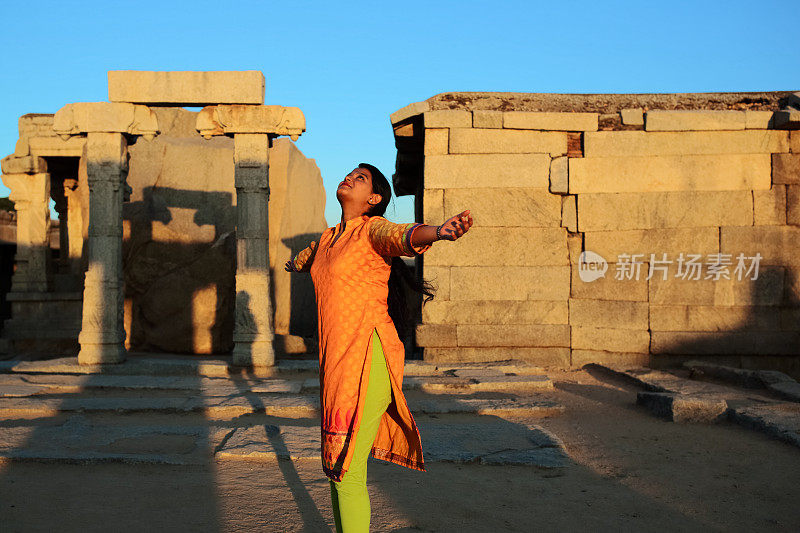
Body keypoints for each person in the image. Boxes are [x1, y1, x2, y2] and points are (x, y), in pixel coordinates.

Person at [284, 163, 472, 532]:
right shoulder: (327, 239)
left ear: (373, 199)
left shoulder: (372, 230)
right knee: (338, 468)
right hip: (336, 365)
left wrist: (438, 232)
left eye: (361, 178)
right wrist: (294, 263)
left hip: (368, 358)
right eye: (350, 173)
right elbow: (306, 259)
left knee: (346, 469)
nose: (350, 178)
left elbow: (402, 235)